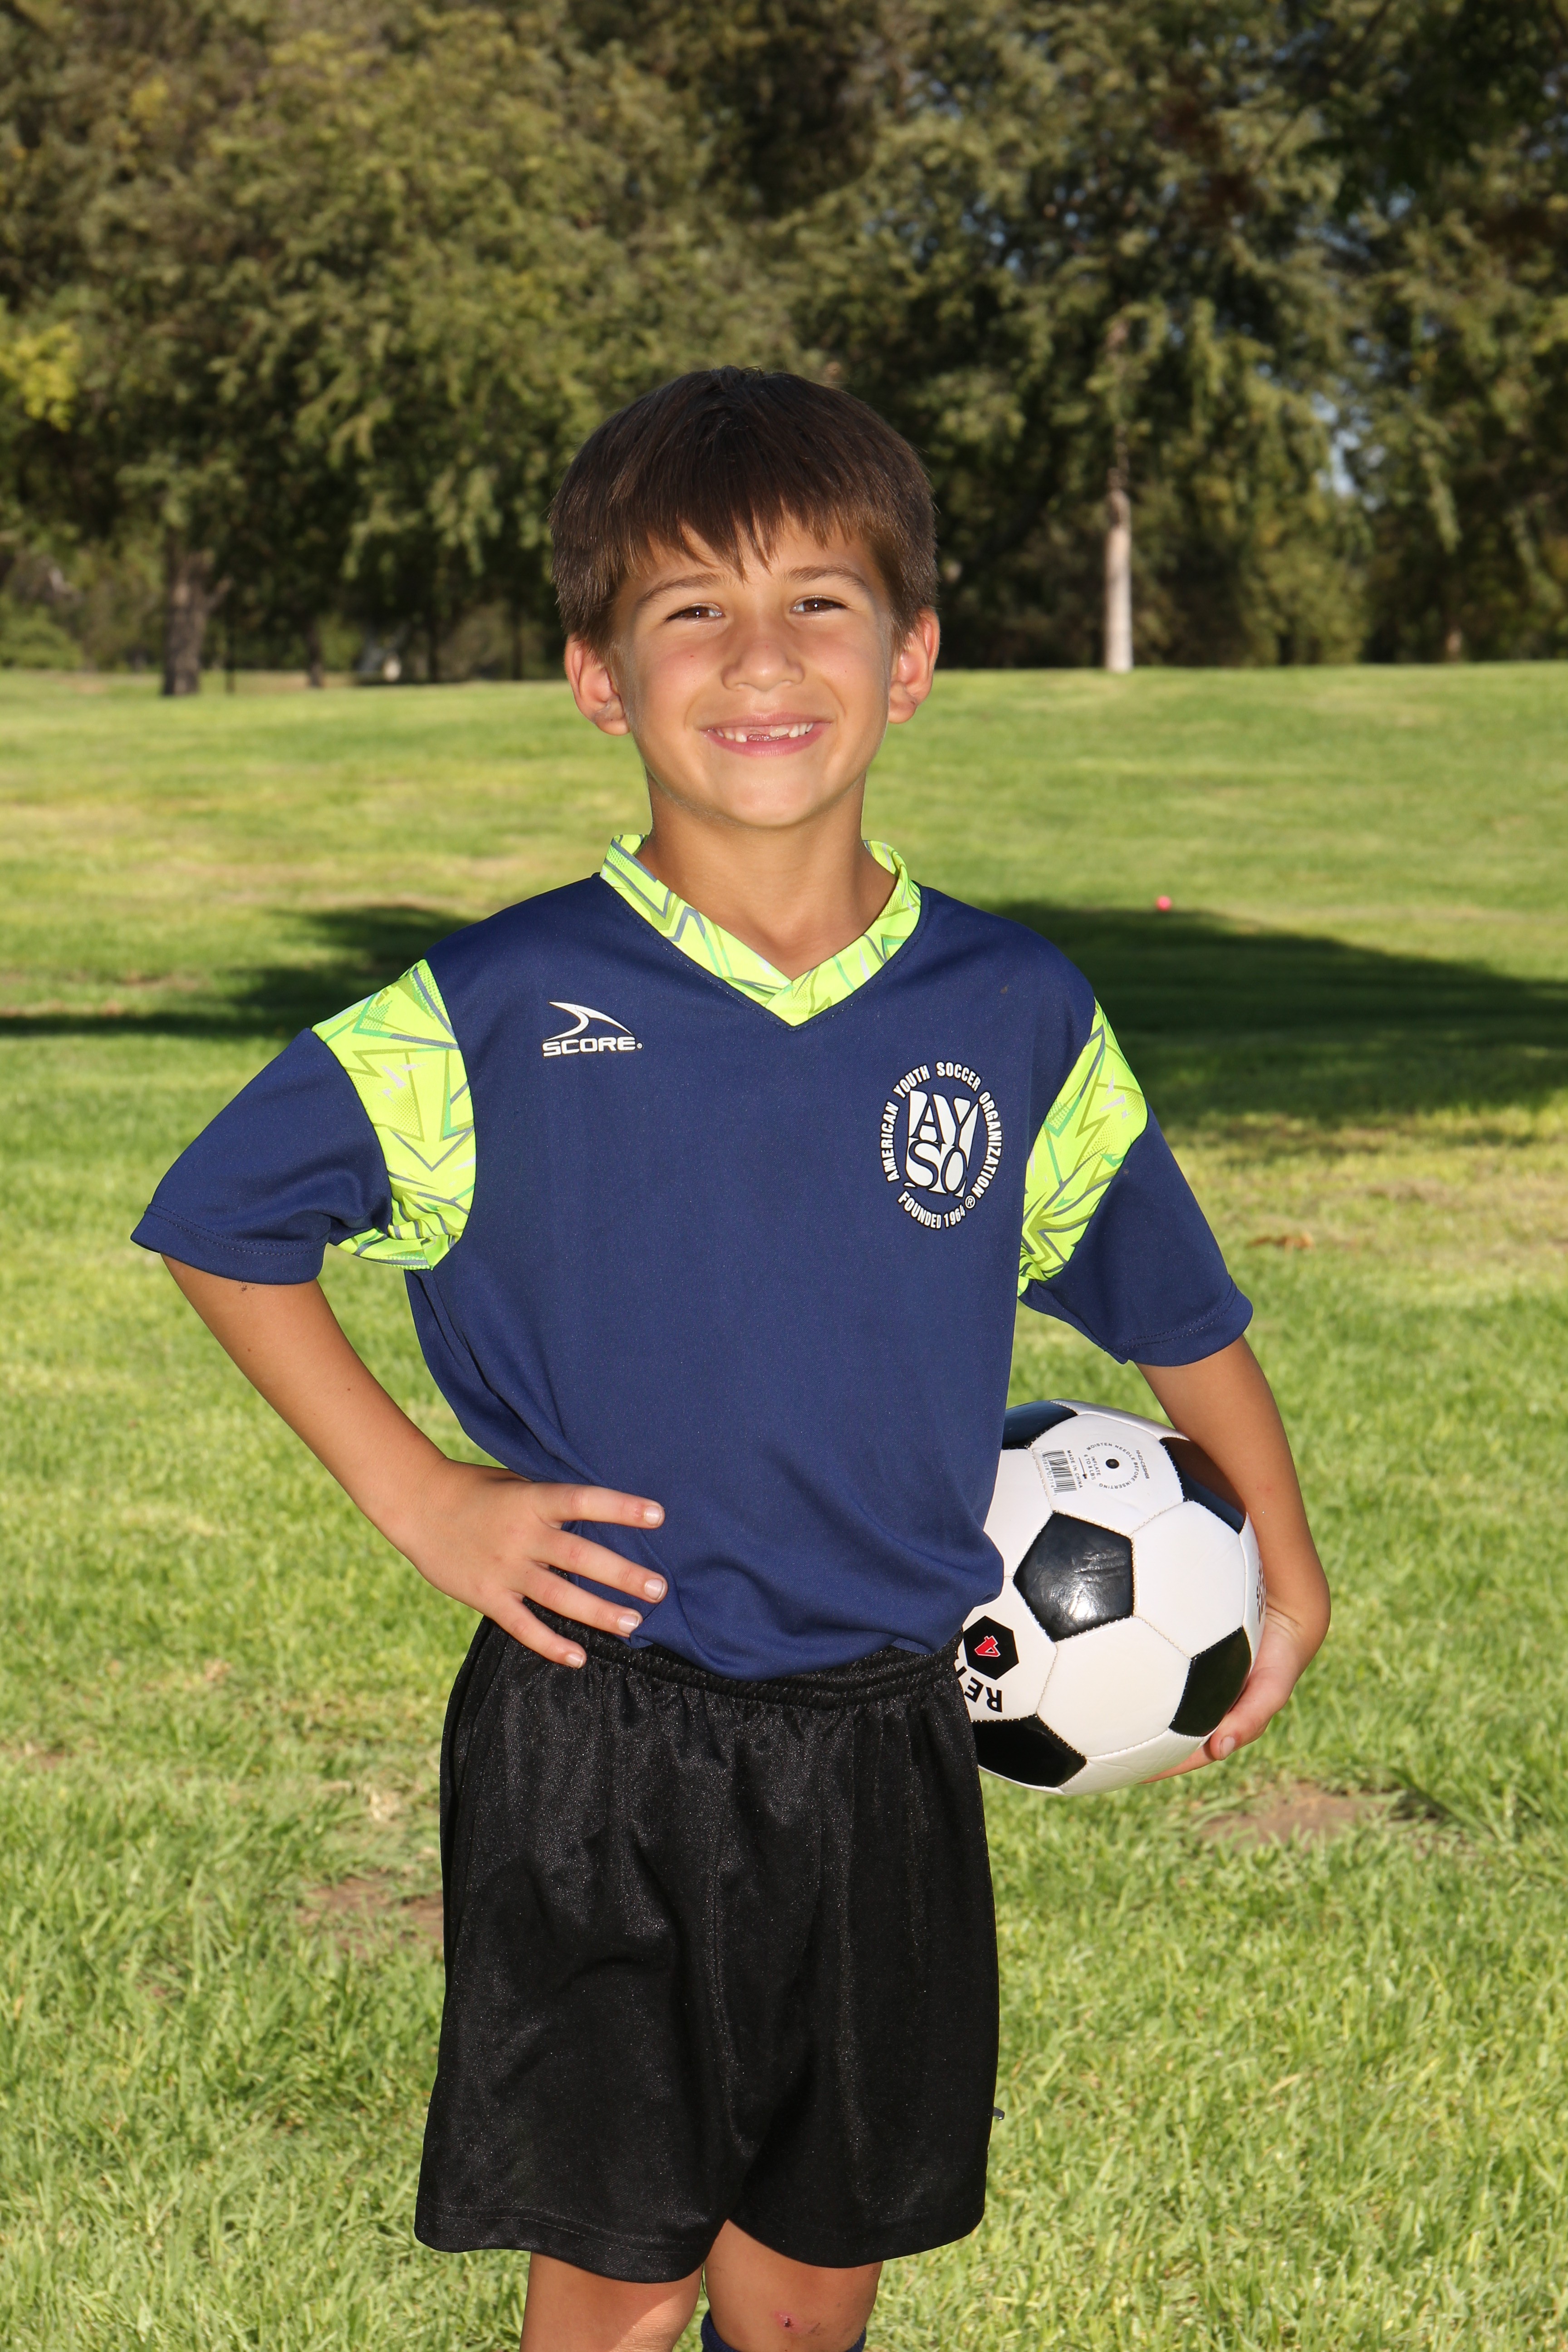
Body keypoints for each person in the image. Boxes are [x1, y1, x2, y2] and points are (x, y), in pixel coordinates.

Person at [132, 368, 1330, 2352]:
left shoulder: (1011, 1005)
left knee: (812, 2286)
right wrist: (424, 1498)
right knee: (617, 2280)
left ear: (911, 659)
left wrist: (1282, 1553)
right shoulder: (504, 1002)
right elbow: (222, 1222)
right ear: (600, 678)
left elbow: (1172, 1303)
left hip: (891, 1732)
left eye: (818, 605)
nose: (760, 660)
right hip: (602, 1732)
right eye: (691, 610)